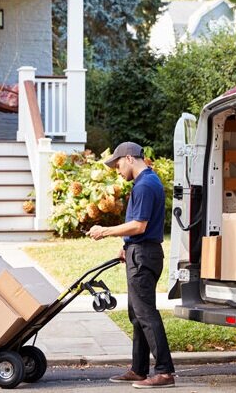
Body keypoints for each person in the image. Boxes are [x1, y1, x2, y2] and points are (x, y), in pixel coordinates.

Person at [87, 141, 175, 389]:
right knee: (137, 314)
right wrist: (126, 245)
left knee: (146, 314)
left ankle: (165, 372)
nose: (117, 171)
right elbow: (138, 228)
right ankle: (139, 369)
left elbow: (140, 225)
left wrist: (105, 231)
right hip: (141, 252)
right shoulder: (147, 182)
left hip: (144, 256)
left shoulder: (146, 185)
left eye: (117, 166)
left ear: (128, 158)